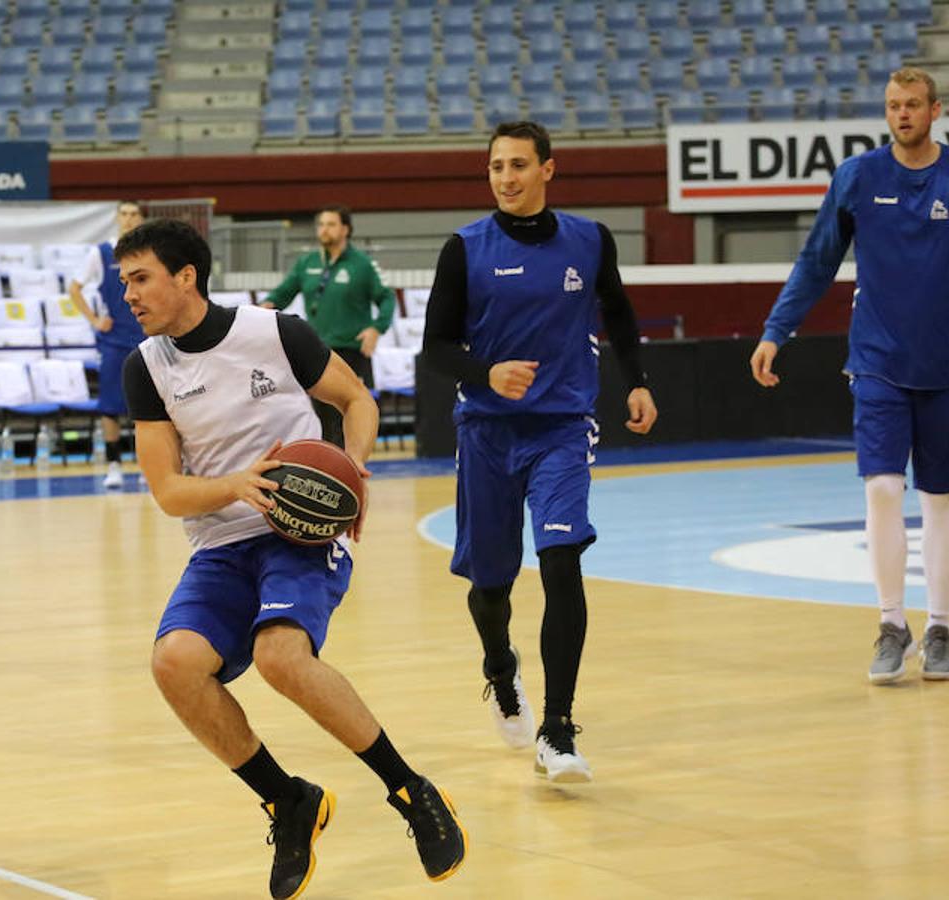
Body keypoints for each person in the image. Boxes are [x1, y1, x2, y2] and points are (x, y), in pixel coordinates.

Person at [120, 219, 466, 899]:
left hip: (299, 533)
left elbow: (355, 400)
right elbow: (167, 491)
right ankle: (288, 801)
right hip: (220, 544)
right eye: (125, 280)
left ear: (185, 276)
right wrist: (235, 484)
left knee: (281, 657)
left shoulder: (275, 331)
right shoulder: (145, 366)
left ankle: (412, 791)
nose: (128, 294)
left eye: (140, 278)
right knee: (175, 664)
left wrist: (356, 469)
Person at [422, 121, 658, 783]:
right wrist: (484, 374)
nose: (506, 178)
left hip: (561, 427)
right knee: (490, 585)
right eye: (496, 166)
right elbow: (435, 347)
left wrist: (637, 381)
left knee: (561, 559)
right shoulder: (464, 249)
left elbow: (618, 312)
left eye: (519, 165)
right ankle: (500, 667)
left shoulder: (589, 240)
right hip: (488, 433)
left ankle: (558, 727)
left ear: (548, 169)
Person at [750, 67, 949, 684]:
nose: (901, 113)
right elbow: (817, 260)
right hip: (877, 362)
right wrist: (777, 330)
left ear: (936, 111)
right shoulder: (858, 177)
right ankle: (891, 623)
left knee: (940, 497)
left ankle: (938, 627)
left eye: (912, 104)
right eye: (892, 105)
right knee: (882, 488)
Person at [262, 205, 396, 448]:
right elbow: (282, 294)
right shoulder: (307, 263)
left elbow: (387, 298)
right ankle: (331, 477)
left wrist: (377, 328)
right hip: (317, 354)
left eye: (331, 224)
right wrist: (263, 308)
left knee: (349, 418)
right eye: (321, 224)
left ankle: (353, 474)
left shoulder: (362, 264)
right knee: (322, 421)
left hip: (350, 353)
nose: (324, 230)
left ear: (345, 229)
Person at [68, 199, 147, 489]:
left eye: (133, 214)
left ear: (141, 218)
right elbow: (74, 288)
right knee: (110, 407)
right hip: (113, 341)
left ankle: (146, 466)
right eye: (124, 214)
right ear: (117, 218)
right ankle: (114, 465)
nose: (128, 219)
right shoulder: (101, 253)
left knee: (147, 409)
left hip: (146, 338)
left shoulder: (150, 252)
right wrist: (93, 319)